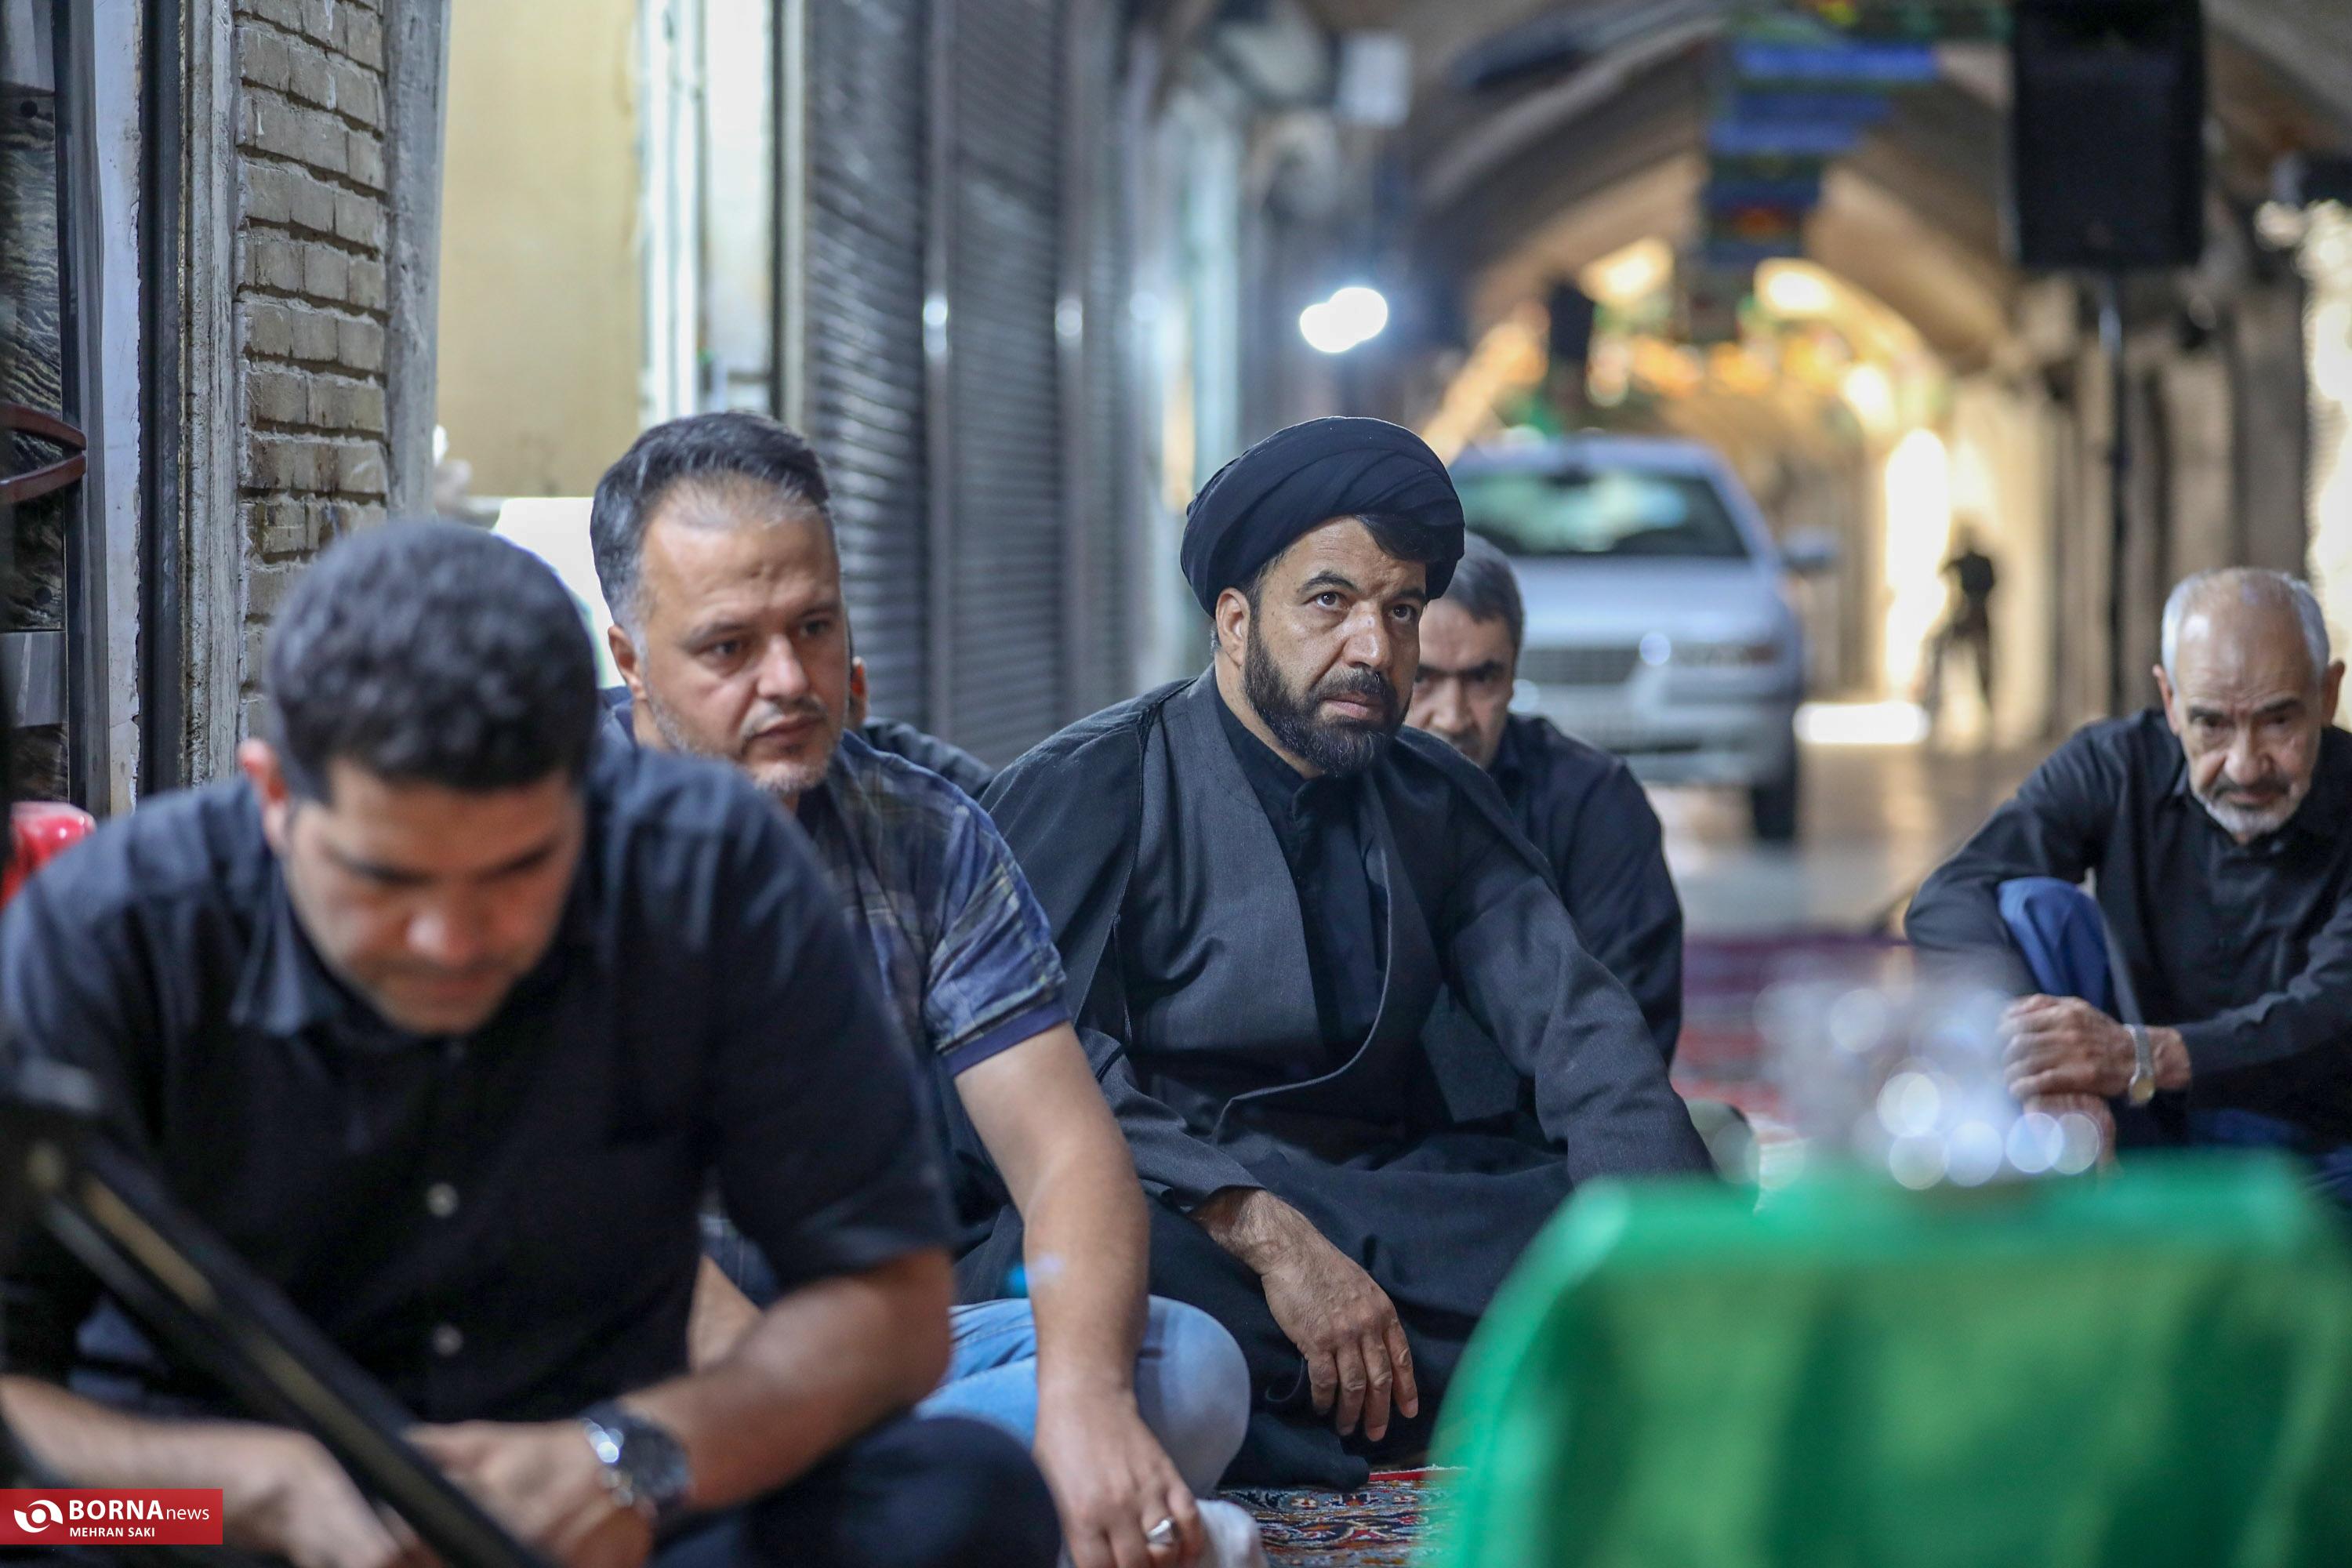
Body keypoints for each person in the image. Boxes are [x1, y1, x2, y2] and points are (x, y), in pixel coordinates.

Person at [0, 522, 1059, 1568]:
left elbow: (890, 1313)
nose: (450, 941)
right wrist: (262, 1499)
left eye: (516, 873)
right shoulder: (115, 930)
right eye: (387, 880)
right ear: (277, 797)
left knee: (964, 1494)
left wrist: (637, 1459)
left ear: (591, 801)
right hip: (197, 1526)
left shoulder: (707, 875)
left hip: (605, 1515)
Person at [984, 416, 1712, 1486]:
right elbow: (1027, 1060)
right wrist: (1268, 1234)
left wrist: (1676, 1261)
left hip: (1381, 1199)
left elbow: (1578, 1025)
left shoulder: (1433, 795)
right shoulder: (1097, 784)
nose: (1374, 650)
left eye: (1401, 610)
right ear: (1236, 621)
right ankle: (1472, 1383)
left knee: (1613, 1203)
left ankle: (1332, 1405)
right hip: (1184, 1201)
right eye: (1330, 602)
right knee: (1111, 1267)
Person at [588, 412, 1252, 1568]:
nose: (790, 681)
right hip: (622, 1365)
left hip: (862, 1352)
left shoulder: (924, 834)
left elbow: (1065, 1154)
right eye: (729, 648)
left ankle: (907, 1508)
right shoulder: (543, 841)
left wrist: (1085, 1403)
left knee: (1190, 1376)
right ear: (631, 659)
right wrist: (778, 1405)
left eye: (815, 627)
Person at [1907, 568, 2352, 1196]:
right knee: (2029, 908)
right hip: (2136, 1117)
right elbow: (1950, 896)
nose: (2245, 766)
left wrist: (2142, 1055)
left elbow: (2330, 1012)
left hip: (2315, 1138)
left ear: (2327, 695)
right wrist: (2047, 1059)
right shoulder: (2116, 765)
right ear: (2170, 700)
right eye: (2212, 725)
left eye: (2278, 723)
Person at [1406, 534, 1682, 1062]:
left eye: (1483, 678)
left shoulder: (1594, 802)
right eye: (1422, 678)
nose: (1453, 717)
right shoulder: (1337, 789)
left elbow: (1629, 1041)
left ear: (1514, 675)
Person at [1923, 525, 1998, 734]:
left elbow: (1992, 584)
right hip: (1964, 615)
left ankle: (1987, 710)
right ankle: (1934, 706)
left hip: (1977, 615)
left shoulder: (1981, 563)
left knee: (1984, 666)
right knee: (1937, 649)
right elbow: (1943, 571)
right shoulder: (1962, 561)